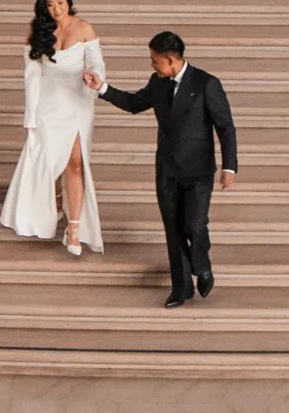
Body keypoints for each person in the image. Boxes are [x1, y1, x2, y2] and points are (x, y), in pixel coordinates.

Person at [96, 30, 237, 308]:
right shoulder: (157, 83)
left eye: (155, 60)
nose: (152, 65)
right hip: (167, 171)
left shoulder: (206, 83)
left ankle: (202, 265)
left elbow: (225, 126)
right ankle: (181, 289)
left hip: (198, 171)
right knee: (173, 230)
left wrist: (229, 167)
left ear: (171, 61)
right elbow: (135, 103)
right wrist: (102, 88)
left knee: (195, 226)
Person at [0, 0, 106, 256]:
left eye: (61, 3)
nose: (57, 9)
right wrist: (30, 117)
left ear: (68, 1)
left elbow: (97, 63)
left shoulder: (84, 28)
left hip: (78, 103)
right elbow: (31, 77)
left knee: (75, 162)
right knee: (49, 161)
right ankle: (57, 198)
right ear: (43, 7)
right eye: (50, 5)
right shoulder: (37, 31)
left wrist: (95, 78)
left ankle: (74, 230)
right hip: (48, 106)